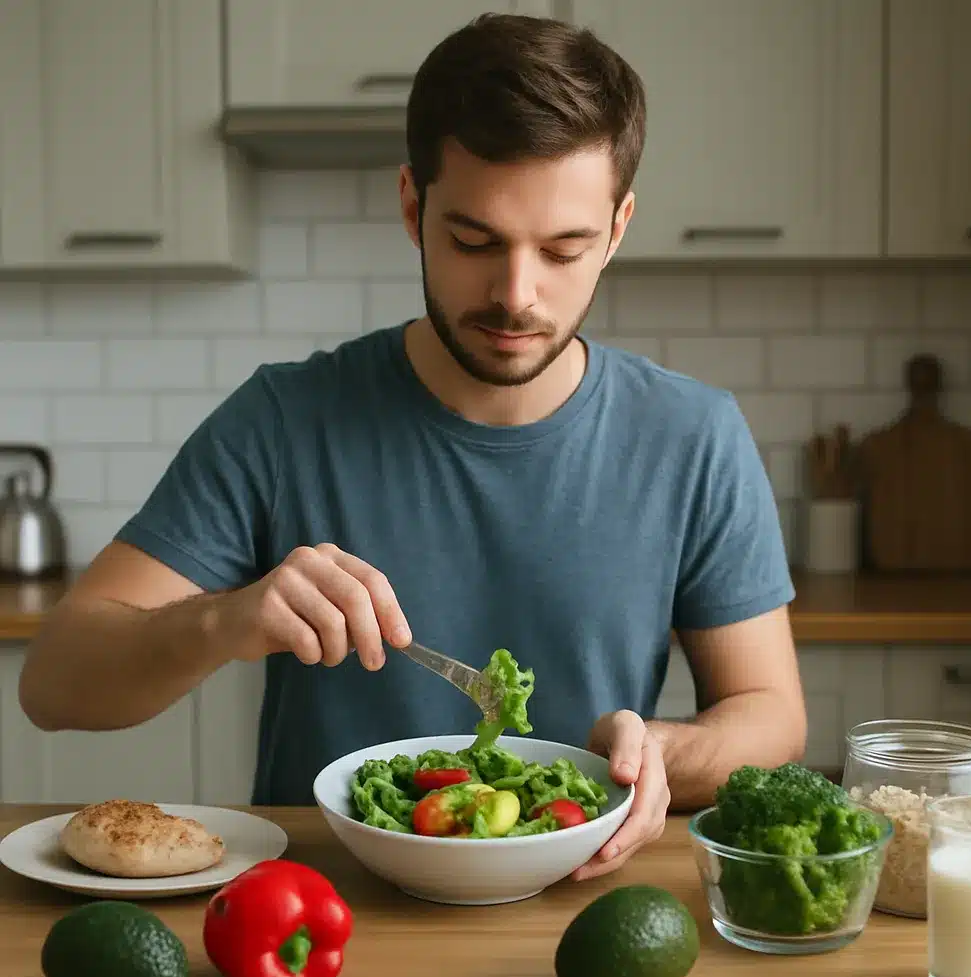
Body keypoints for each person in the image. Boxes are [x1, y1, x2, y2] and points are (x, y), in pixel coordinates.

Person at [18, 13, 806, 882]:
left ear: (617, 229)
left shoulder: (692, 436)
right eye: (474, 241)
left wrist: (660, 753)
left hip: (578, 913)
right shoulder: (283, 419)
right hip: (316, 918)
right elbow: (55, 685)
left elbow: (771, 715)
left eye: (564, 249)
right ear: (410, 205)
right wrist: (225, 619)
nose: (517, 294)